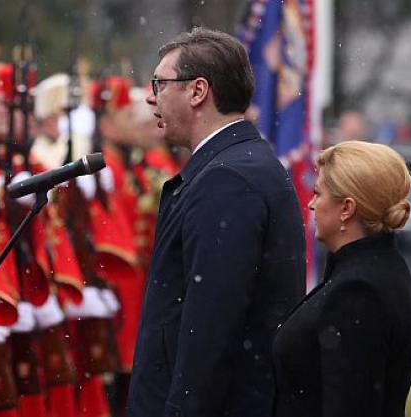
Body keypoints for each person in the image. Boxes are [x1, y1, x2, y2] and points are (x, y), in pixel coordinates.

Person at [128, 28, 306, 417]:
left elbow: (210, 327)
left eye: (160, 83)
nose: (150, 96)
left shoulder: (228, 179)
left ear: (197, 91)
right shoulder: (237, 165)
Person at [272, 141, 411, 417]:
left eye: (318, 193)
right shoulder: (377, 271)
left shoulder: (359, 291)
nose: (311, 203)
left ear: (347, 208)